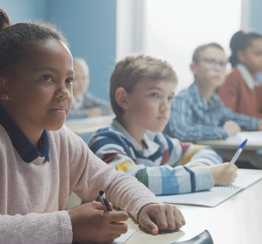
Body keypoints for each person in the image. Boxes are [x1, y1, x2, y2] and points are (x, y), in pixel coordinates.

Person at [0, 9, 185, 244]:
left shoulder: (61, 138)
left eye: (68, 80)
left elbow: (111, 180)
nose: (64, 92)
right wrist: (66, 226)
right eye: (47, 78)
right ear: (3, 88)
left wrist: (145, 205)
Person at [87, 54, 237, 196]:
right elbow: (133, 181)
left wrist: (200, 166)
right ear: (123, 99)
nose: (165, 107)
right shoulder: (105, 141)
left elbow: (206, 151)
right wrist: (207, 175)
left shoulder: (156, 141)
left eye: (170, 98)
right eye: (155, 95)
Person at [165, 42, 262, 142]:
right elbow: (182, 131)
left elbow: (231, 117)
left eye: (222, 64)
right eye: (210, 61)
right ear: (193, 67)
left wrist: (258, 124)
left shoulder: (214, 100)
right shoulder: (183, 98)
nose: (217, 68)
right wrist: (223, 132)